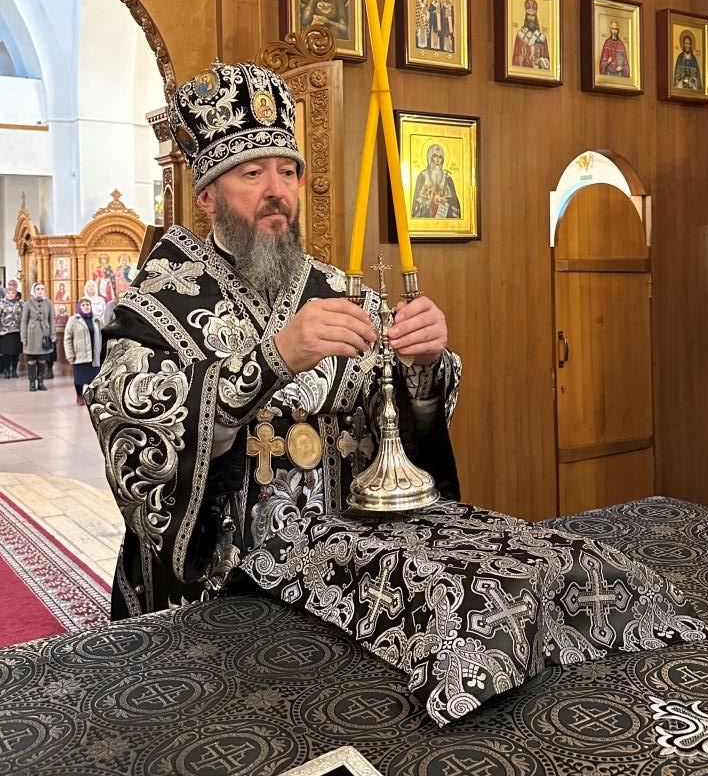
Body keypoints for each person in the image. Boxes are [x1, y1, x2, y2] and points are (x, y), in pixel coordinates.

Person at [86, 62, 460, 619]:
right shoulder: (160, 301)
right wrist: (273, 359)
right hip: (223, 591)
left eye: (288, 172)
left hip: (345, 581)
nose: (276, 191)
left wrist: (423, 364)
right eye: (252, 173)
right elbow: (131, 427)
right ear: (207, 196)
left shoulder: (338, 290)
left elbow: (404, 424)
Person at [64, 299, 102, 406]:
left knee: (94, 378)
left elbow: (103, 334)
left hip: (95, 354)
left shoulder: (97, 319)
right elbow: (67, 338)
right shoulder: (73, 320)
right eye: (83, 305)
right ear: (79, 307)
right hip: (80, 354)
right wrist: (70, 354)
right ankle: (79, 396)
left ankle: (91, 397)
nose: (86, 307)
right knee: (79, 378)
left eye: (88, 304)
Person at [411, 143, 462, 219]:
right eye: (435, 156)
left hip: (444, 222)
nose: (437, 160)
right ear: (429, 158)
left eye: (440, 157)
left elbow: (456, 205)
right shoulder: (422, 177)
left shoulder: (447, 179)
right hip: (426, 222)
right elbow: (416, 205)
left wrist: (444, 200)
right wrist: (427, 203)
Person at [20, 282, 55, 392]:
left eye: (42, 289)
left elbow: (52, 320)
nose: (40, 291)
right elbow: (24, 321)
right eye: (38, 289)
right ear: (34, 291)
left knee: (42, 360)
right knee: (32, 360)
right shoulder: (27, 304)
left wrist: (52, 334)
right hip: (31, 336)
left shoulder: (49, 303)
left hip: (44, 335)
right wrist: (23, 337)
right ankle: (32, 382)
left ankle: (41, 382)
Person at [512, 0, 551, 70]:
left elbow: (548, 60)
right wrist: (523, 58)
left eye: (533, 16)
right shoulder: (520, 34)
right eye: (529, 15)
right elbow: (515, 59)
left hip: (538, 73)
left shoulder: (542, 37)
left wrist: (540, 61)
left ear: (536, 17)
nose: (530, 18)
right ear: (526, 16)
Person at [0, 284, 23, 379]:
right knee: (6, 353)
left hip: (17, 331)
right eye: (9, 293)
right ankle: (7, 370)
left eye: (13, 293)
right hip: (5, 332)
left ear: (16, 294)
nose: (11, 295)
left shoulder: (20, 303)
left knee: (15, 352)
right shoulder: (1, 304)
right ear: (6, 294)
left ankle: (14, 370)